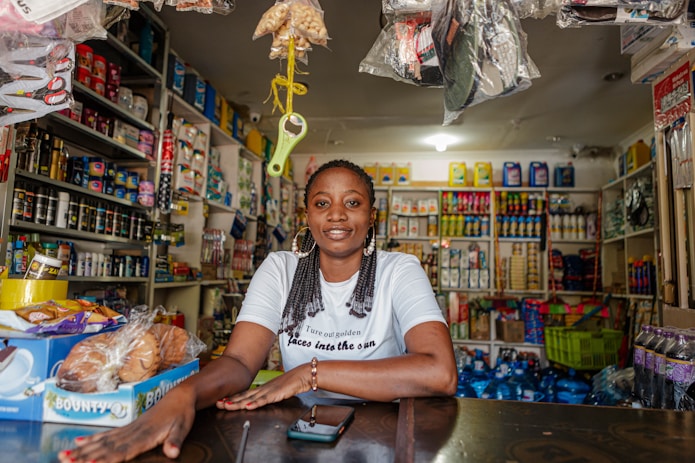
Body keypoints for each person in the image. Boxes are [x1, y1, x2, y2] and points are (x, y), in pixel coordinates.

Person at [59, 159, 457, 463]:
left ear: (372, 217)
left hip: (383, 436)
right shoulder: (281, 269)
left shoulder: (398, 270)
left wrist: (309, 373)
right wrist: (183, 395)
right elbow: (238, 362)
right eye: (323, 203)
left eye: (352, 203)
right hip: (304, 434)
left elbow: (439, 373)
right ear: (308, 216)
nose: (337, 214)